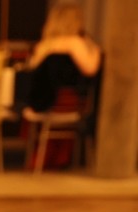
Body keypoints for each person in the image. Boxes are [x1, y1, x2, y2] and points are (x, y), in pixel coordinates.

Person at [23, 0, 101, 169]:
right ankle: (63, 158)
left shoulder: (44, 45)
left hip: (43, 103)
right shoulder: (75, 43)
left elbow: (32, 73)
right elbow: (91, 69)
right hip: (68, 103)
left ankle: (45, 158)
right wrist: (95, 50)